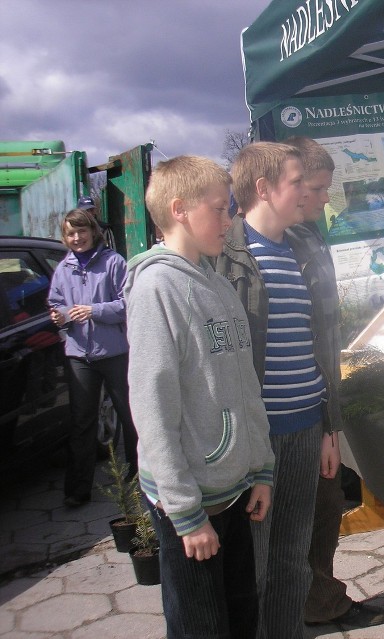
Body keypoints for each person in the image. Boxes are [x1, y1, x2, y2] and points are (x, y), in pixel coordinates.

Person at [124, 156, 275, 639]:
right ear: (180, 210)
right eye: (219, 209)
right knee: (201, 627)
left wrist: (261, 468)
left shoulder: (218, 283)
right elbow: (152, 407)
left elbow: (244, 387)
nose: (229, 220)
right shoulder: (157, 288)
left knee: (240, 616)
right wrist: (187, 515)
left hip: (231, 489)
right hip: (189, 502)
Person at [214, 141, 326, 638]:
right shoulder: (225, 256)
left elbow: (326, 341)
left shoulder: (305, 246)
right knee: (251, 569)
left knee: (293, 560)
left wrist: (331, 426)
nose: (307, 190)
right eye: (298, 180)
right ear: (263, 188)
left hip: (306, 427)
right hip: (257, 441)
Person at [286, 136, 384, 628]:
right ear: (293, 185)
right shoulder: (266, 245)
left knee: (325, 508)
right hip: (291, 410)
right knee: (309, 511)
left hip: (319, 401)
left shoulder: (307, 236)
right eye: (320, 188)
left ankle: (317, 598)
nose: (327, 198)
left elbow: (322, 323)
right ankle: (310, 603)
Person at [48, 208, 138, 507]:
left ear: (93, 231)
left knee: (130, 416)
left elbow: (129, 303)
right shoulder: (63, 269)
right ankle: (78, 489)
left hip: (114, 353)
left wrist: (94, 311)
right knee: (82, 422)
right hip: (79, 356)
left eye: (81, 231)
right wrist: (60, 316)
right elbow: (56, 303)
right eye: (70, 233)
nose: (76, 238)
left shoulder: (113, 263)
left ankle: (139, 480)